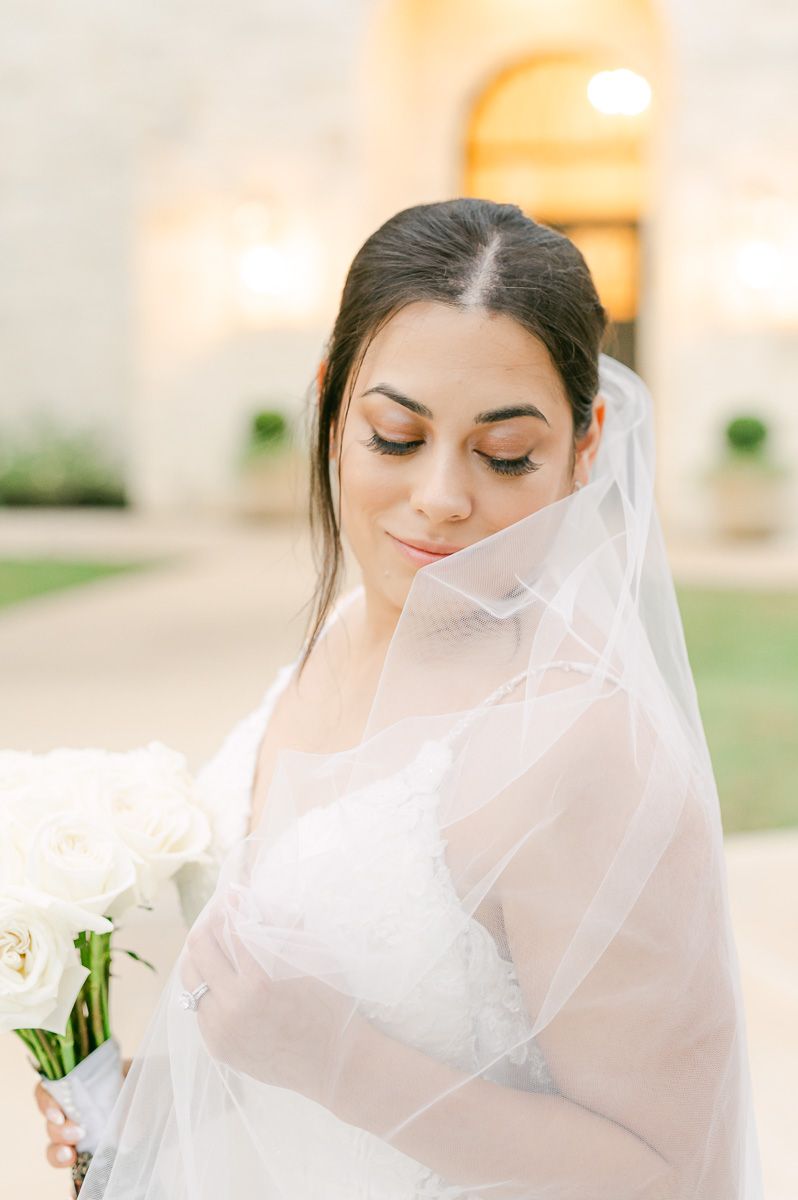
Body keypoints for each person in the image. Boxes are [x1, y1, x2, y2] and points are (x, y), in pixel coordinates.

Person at [37, 198, 763, 1198]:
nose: (441, 498)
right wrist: (144, 1100)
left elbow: (678, 1176)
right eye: (393, 436)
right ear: (334, 403)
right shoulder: (341, 631)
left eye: (505, 455)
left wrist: (339, 1060)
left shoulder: (585, 750)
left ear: (586, 447)